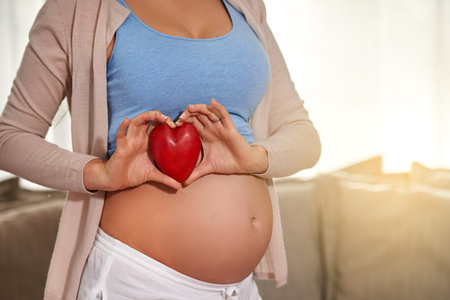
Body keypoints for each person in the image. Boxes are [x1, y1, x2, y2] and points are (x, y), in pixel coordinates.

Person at [0, 0, 321, 298]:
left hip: (241, 288)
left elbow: (303, 135)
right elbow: (9, 138)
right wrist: (98, 173)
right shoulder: (77, 9)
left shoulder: (245, 6)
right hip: (137, 281)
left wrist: (252, 158)